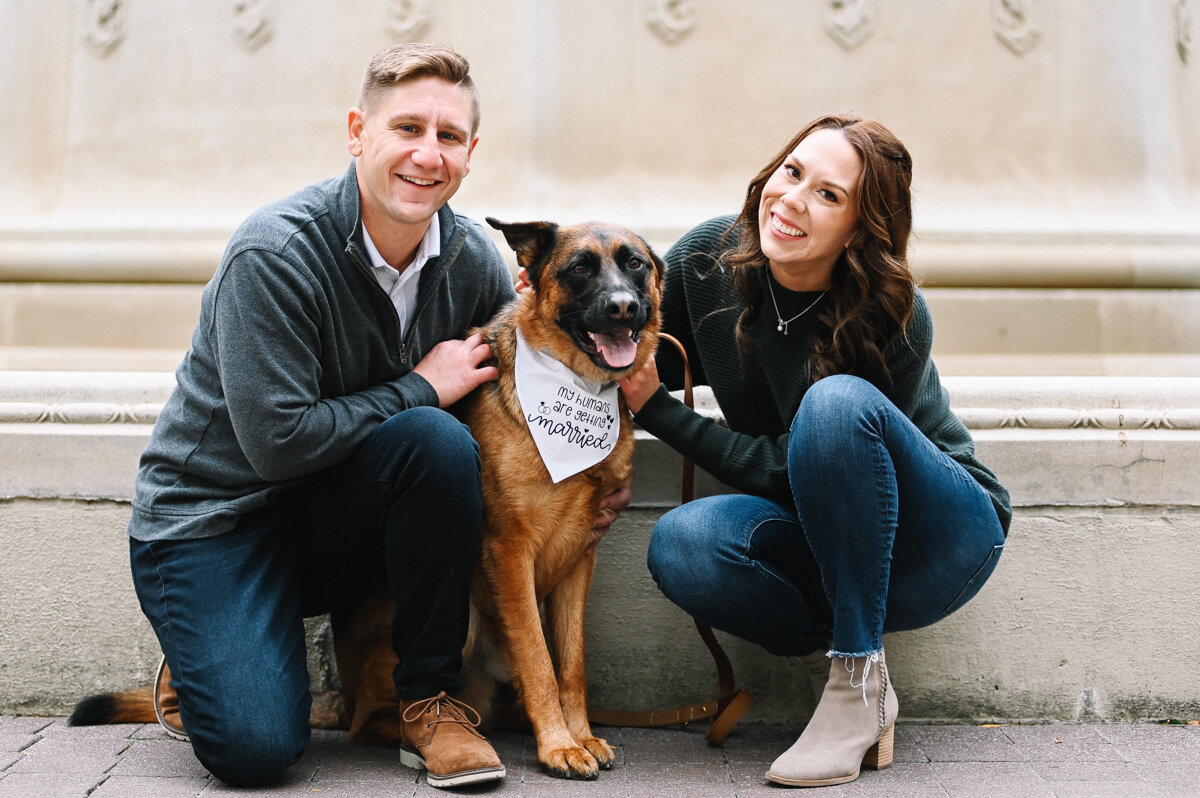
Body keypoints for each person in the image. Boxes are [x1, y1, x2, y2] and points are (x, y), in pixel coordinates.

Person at [124, 43, 635, 790]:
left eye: (449, 137)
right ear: (358, 131)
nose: (427, 155)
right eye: (407, 129)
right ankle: (208, 645)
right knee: (256, 750)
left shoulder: (471, 263)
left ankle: (428, 699)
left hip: (335, 522)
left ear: (470, 153)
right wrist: (423, 385)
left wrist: (587, 476)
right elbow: (279, 444)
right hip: (217, 522)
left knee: (433, 445)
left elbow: (515, 405)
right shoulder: (274, 254)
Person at [618, 114, 1011, 788]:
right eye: (792, 171)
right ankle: (841, 669)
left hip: (936, 539)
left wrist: (660, 414)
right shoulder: (710, 260)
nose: (792, 199)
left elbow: (793, 465)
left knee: (833, 407)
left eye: (829, 195)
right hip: (820, 544)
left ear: (861, 230)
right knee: (683, 545)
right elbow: (624, 344)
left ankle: (857, 680)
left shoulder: (893, 313)